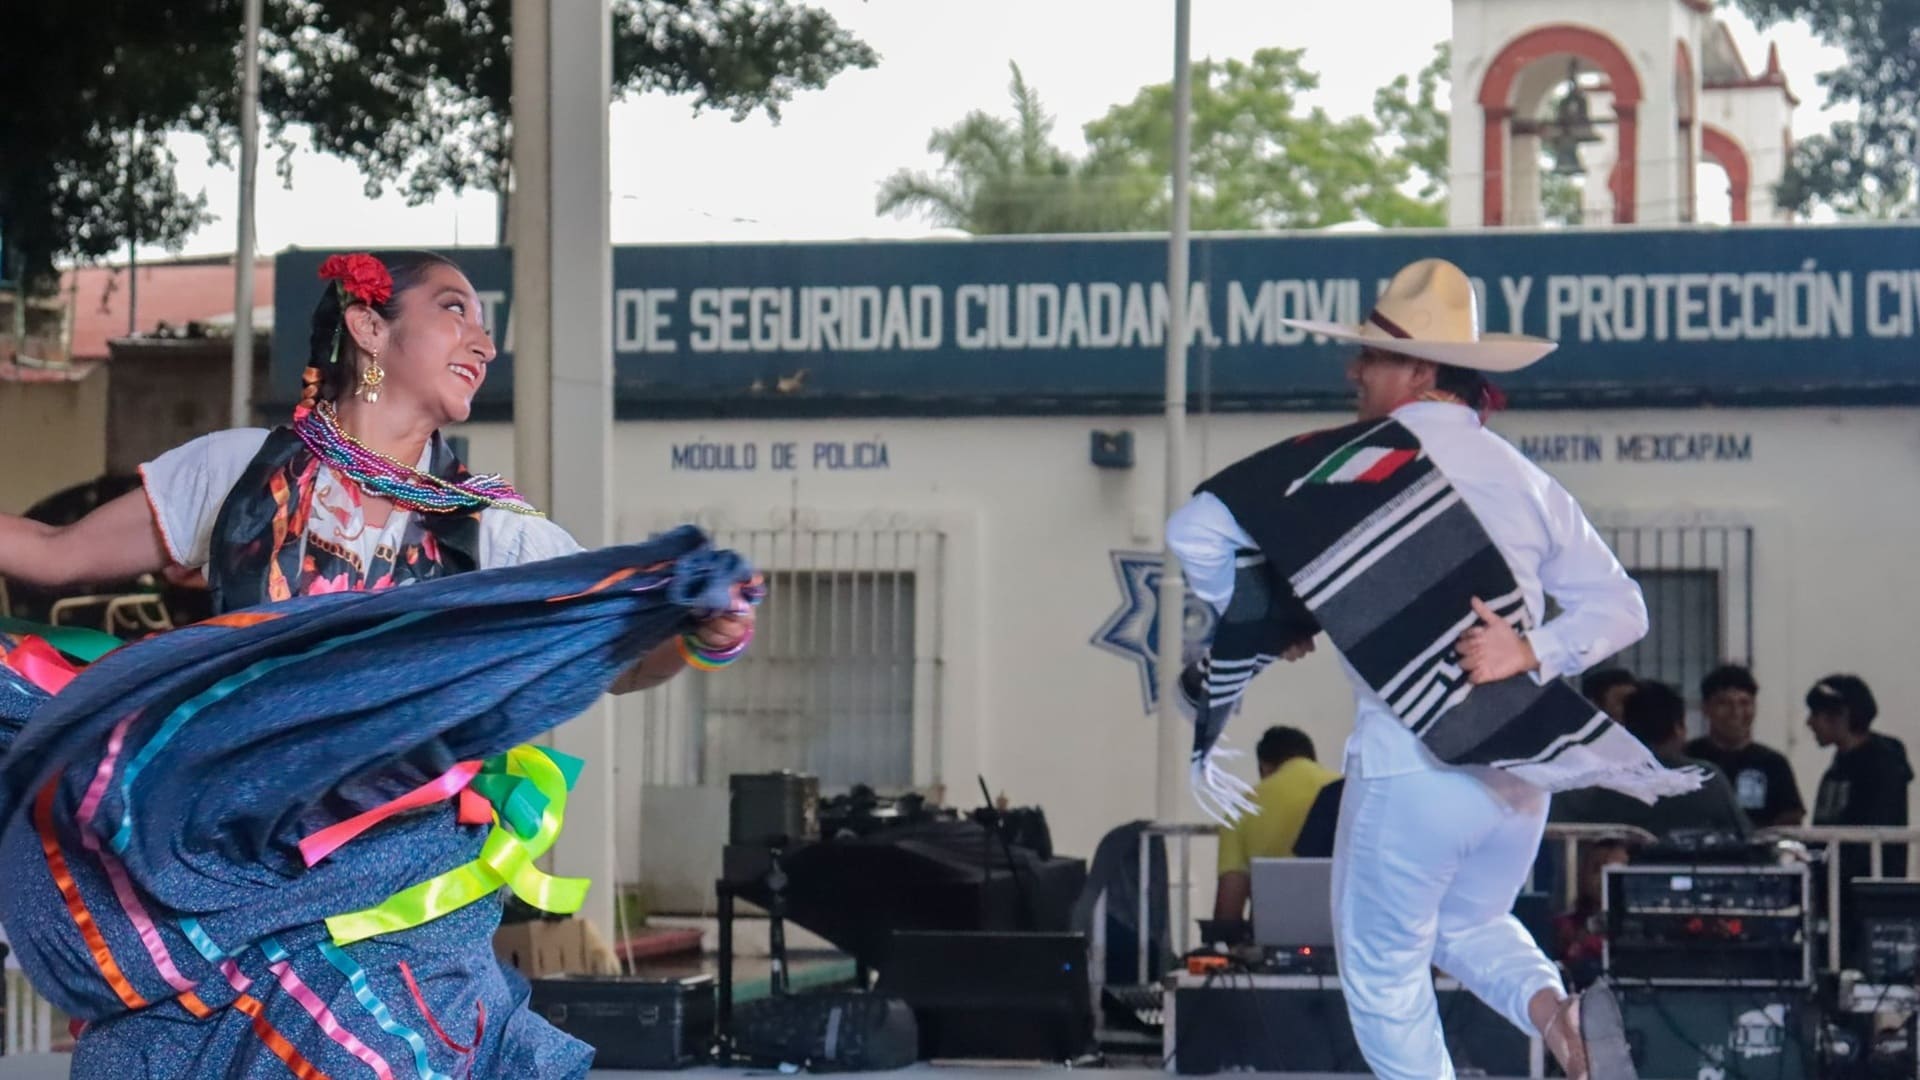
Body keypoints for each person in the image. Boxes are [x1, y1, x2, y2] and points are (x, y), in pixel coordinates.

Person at [0, 251, 755, 1077]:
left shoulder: (497, 536)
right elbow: (51, 554)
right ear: (369, 327)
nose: (484, 339)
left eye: (481, 319)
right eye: (454, 310)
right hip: (223, 862)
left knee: (373, 1042)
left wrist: (691, 636)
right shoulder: (240, 473)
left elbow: (618, 661)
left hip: (395, 875)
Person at [1167, 258, 1689, 1079]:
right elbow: (1623, 608)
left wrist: (1261, 618)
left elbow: (1194, 530)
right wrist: (1531, 650)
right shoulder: (1525, 478)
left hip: (1412, 767)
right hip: (1518, 773)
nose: (1354, 370)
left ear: (1418, 369)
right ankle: (1560, 1019)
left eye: (1371, 357)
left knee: (1383, 976)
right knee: (1470, 923)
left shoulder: (1343, 464)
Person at [1556, 681, 1750, 841]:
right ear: (1679, 728)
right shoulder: (1706, 779)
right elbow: (1746, 837)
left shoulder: (1603, 784)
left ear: (1625, 730)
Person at [1213, 726, 1340, 920]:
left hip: (1274, 929)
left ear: (1264, 767)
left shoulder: (1243, 806)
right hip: (1341, 928)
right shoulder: (1344, 790)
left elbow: (1230, 898)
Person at [1806, 674, 1912, 880]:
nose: (1809, 722)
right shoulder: (1838, 767)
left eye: (1815, 713)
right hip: (1833, 889)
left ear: (1841, 715)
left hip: (1866, 894)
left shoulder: (1882, 765)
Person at [1685, 664, 1804, 827]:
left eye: (1744, 703)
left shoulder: (1773, 763)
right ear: (1706, 708)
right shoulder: (1688, 757)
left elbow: (1791, 817)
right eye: (1724, 703)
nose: (1736, 712)